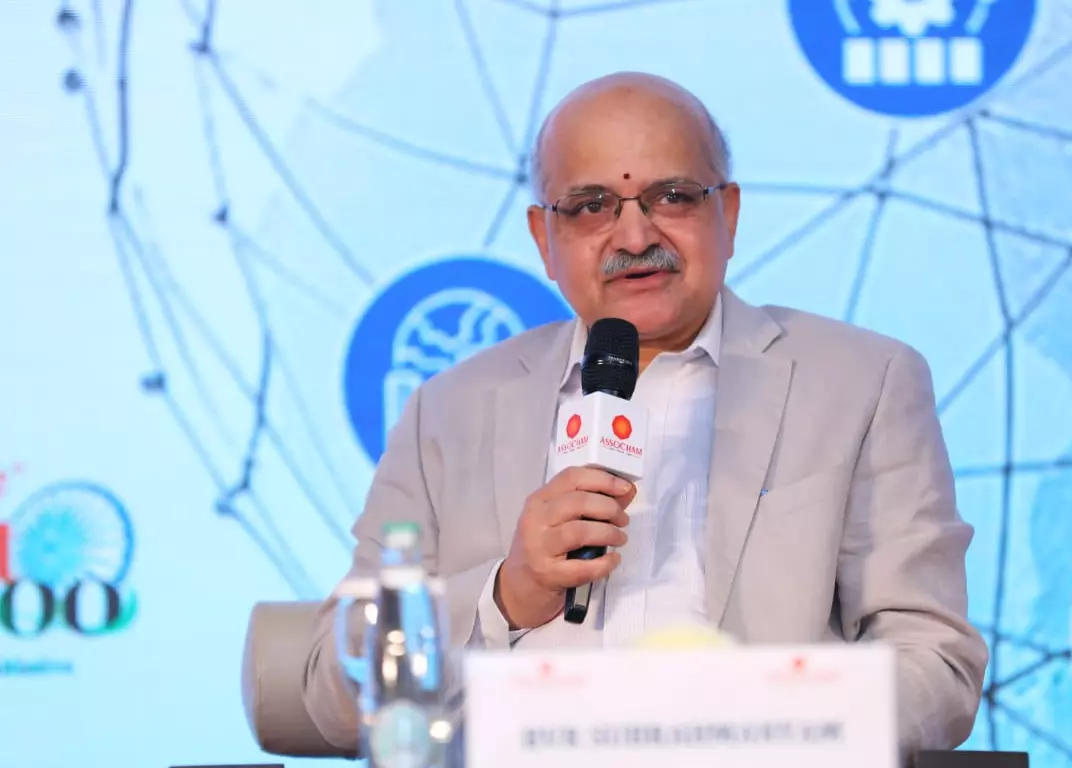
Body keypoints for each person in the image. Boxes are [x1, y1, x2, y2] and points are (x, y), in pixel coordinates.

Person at [302, 71, 988, 755]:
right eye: (591, 206)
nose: (634, 236)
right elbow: (334, 690)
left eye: (673, 197)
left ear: (729, 215)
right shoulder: (448, 411)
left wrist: (775, 724)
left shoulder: (860, 382)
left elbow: (935, 663)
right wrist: (507, 594)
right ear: (544, 237)